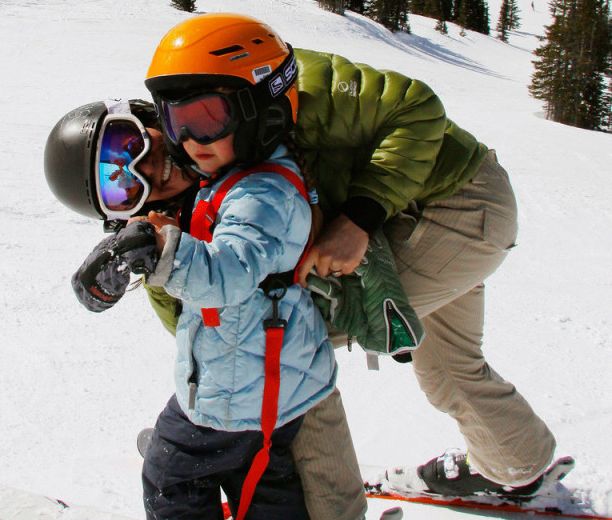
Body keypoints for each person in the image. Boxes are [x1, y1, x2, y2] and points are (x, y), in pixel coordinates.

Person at [142, 11, 556, 512]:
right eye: (175, 122)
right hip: (451, 209)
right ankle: (519, 465)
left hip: (458, 207)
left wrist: (358, 218)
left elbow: (418, 108)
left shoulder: (305, 87)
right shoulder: (209, 152)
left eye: (202, 120)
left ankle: (328, 509)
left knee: (294, 332)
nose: (185, 142)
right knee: (449, 369)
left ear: (253, 97)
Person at [47, 30, 341, 519]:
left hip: (239, 395)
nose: (147, 169)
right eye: (122, 187)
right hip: (260, 386)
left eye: (130, 144)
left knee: (171, 476)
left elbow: (230, 269)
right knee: (260, 475)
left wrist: (157, 251)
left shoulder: (257, 188)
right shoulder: (228, 175)